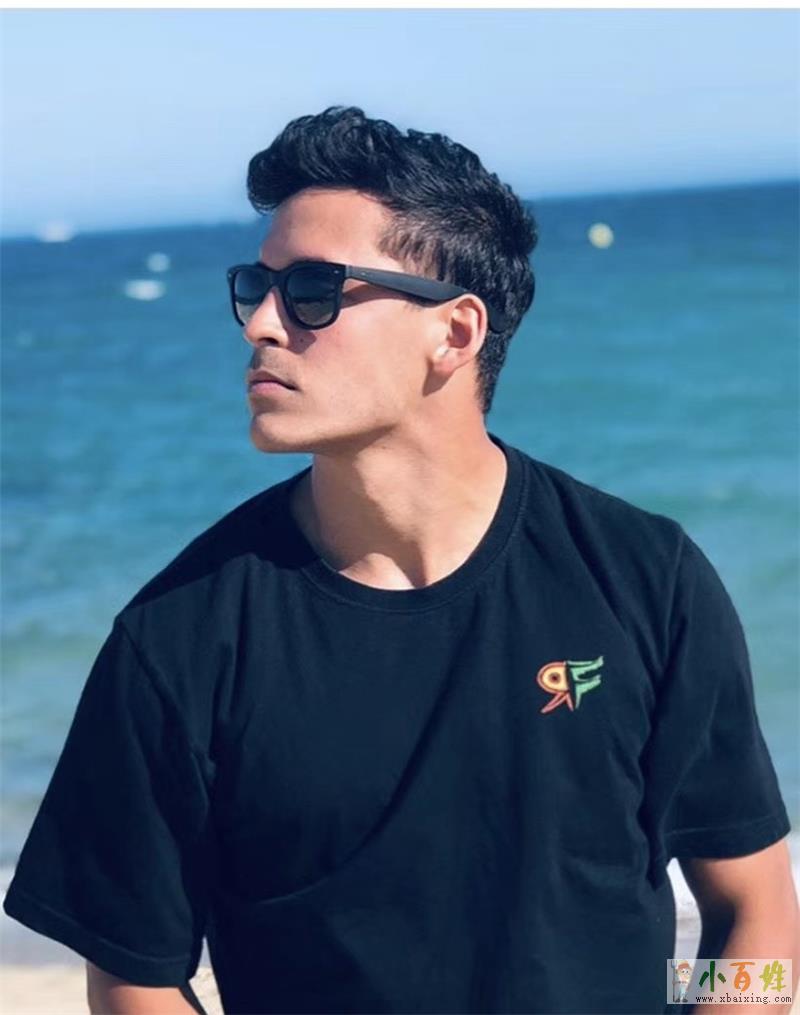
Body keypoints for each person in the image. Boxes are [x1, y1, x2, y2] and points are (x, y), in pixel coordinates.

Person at [3, 105, 797, 1015]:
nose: (261, 323)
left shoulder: (645, 577)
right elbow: (134, 976)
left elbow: (758, 913)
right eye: (255, 287)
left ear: (454, 333)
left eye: (311, 290)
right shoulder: (178, 637)